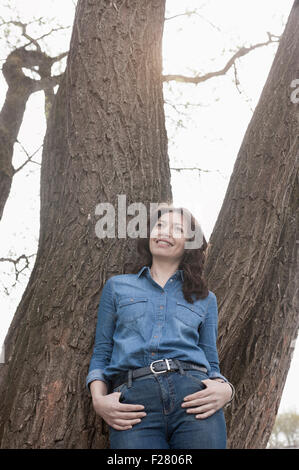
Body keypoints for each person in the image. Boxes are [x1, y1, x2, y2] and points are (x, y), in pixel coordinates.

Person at [86, 204, 235, 449]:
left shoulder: (206, 299)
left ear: (189, 243)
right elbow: (102, 354)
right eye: (160, 226)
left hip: (194, 400)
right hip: (133, 405)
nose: (165, 232)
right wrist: (99, 401)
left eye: (177, 229)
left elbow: (212, 363)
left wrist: (226, 391)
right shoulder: (117, 287)